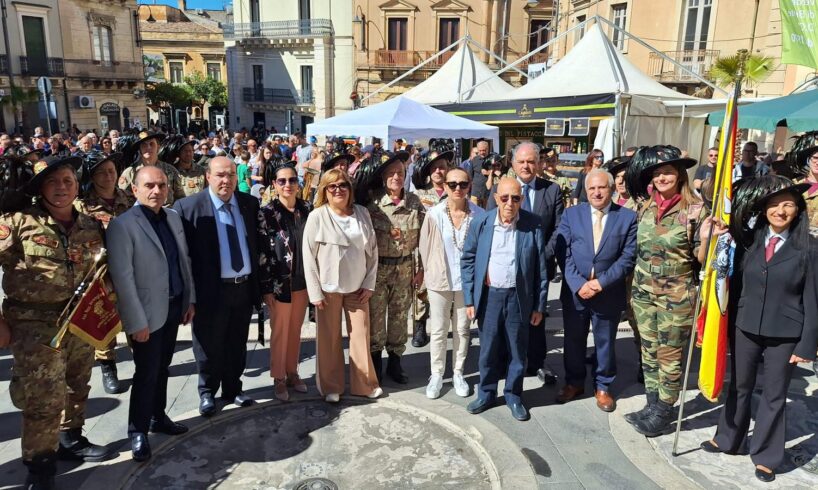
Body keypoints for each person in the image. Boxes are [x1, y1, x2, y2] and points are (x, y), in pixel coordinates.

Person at [0, 155, 113, 489]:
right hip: (33, 326)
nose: (61, 188)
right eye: (52, 182)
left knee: (78, 384)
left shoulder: (91, 225)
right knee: (42, 399)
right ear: (40, 189)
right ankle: (40, 467)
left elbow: (103, 272)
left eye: (67, 181)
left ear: (77, 185)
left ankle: (71, 439)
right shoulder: (18, 222)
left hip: (80, 320)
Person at [699, 176, 817, 483]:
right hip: (746, 324)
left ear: (798, 209)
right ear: (764, 209)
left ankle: (766, 456)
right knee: (739, 385)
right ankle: (728, 438)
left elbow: (814, 299)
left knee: (774, 395)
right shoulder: (749, 239)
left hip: (786, 333)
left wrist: (808, 345)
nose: (781, 211)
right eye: (775, 205)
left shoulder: (809, 248)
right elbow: (731, 280)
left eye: (788, 204)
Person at [107, 166, 196, 462]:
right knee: (145, 373)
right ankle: (138, 431)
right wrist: (136, 322)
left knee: (164, 367)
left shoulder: (172, 217)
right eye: (149, 186)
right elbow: (123, 278)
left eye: (161, 185)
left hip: (173, 306)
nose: (156, 191)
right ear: (135, 189)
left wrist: (189, 300)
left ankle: (159, 417)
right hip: (146, 314)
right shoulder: (123, 225)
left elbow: (183, 261)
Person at [173, 156, 267, 416]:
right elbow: (183, 258)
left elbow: (256, 246)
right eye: (220, 175)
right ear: (208, 177)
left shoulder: (249, 204)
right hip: (209, 292)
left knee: (237, 343)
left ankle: (233, 389)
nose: (226, 181)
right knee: (207, 345)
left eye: (230, 175)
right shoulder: (188, 208)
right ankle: (207, 392)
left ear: (237, 178)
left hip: (243, 287)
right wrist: (188, 298)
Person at [623, 145, 707, 437]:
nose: (662, 177)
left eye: (668, 172)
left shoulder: (695, 211)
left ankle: (664, 411)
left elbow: (701, 259)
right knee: (648, 350)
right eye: (657, 173)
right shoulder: (644, 206)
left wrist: (707, 238)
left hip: (676, 295)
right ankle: (651, 403)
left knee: (669, 356)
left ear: (680, 175)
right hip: (643, 291)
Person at [461, 177, 548, 421]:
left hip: (519, 298)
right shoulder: (481, 222)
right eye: (505, 197)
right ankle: (486, 393)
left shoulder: (533, 225)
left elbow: (541, 269)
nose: (510, 203)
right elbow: (468, 259)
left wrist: (539, 305)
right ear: (496, 198)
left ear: (522, 199)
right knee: (488, 350)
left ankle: (513, 395)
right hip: (490, 297)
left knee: (518, 352)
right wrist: (470, 299)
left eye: (516, 198)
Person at [554, 169, 638, 412]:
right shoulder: (572, 215)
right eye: (591, 188)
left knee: (604, 342)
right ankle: (574, 382)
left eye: (601, 187)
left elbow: (627, 257)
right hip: (575, 291)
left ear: (611, 189)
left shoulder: (627, 217)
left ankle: (603, 386)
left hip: (607, 292)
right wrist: (579, 284)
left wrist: (600, 283)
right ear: (586, 190)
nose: (596, 192)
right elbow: (564, 252)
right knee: (573, 340)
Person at [302, 169, 382, 402]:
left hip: (358, 288)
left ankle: (365, 384)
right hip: (328, 290)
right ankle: (331, 387)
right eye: (332, 186)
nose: (338, 190)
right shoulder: (317, 217)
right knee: (329, 339)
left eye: (342, 185)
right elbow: (308, 256)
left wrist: (369, 284)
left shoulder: (362, 213)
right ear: (324, 191)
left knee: (360, 337)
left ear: (350, 189)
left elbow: (373, 252)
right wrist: (314, 292)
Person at [488, 142, 563, 385]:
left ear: (540, 163)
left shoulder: (551, 190)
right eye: (521, 161)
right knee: (505, 318)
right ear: (513, 164)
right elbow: (491, 224)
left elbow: (559, 228)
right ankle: (503, 362)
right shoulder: (501, 190)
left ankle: (536, 363)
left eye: (531, 161)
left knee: (536, 318)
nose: (526, 166)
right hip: (507, 269)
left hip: (539, 267)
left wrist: (542, 253)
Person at [418, 167, 484, 399]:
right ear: (444, 186)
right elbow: (424, 248)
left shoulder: (479, 214)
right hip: (440, 280)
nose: (458, 188)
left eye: (463, 184)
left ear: (469, 186)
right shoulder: (434, 214)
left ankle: (458, 372)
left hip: (467, 282)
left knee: (462, 330)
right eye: (452, 184)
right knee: (438, 329)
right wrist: (428, 275)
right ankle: (436, 374)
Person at [74, 150, 135, 395]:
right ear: (93, 176)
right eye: (101, 172)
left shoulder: (129, 199)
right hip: (100, 274)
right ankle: (108, 367)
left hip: (130, 269)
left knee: (133, 317)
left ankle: (143, 361)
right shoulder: (83, 205)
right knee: (105, 320)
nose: (108, 176)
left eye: (111, 171)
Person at [365, 151, 425, 384]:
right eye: (391, 173)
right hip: (379, 269)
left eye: (400, 173)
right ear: (383, 177)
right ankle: (376, 362)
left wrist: (422, 270)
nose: (396, 177)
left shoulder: (414, 202)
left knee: (400, 317)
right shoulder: (373, 203)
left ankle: (396, 362)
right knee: (376, 317)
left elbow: (424, 238)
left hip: (405, 268)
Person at [258, 162, 312, 401]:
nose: (287, 185)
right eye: (282, 181)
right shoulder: (267, 213)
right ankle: (278, 377)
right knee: (279, 332)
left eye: (292, 180)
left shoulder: (307, 209)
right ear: (274, 185)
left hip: (303, 281)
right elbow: (261, 253)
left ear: (298, 183)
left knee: (295, 331)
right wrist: (266, 287)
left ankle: (292, 372)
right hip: (279, 284)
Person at [410, 149, 452, 348]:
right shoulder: (419, 195)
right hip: (423, 248)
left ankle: (447, 326)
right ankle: (419, 327)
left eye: (442, 168)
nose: (438, 171)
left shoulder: (455, 192)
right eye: (434, 168)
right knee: (421, 289)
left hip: (447, 250)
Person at [119, 130, 186, 206]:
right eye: (144, 145)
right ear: (140, 149)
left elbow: (180, 199)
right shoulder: (130, 173)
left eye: (152, 144)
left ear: (158, 147)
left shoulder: (170, 170)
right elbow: (122, 200)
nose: (148, 147)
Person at [469, 140, 491, 207]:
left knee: (487, 213)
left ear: (488, 149)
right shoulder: (474, 160)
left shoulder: (493, 159)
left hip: (487, 192)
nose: (482, 152)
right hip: (475, 192)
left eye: (484, 150)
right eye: (480, 150)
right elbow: (470, 175)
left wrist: (489, 172)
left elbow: (499, 172)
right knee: (474, 212)